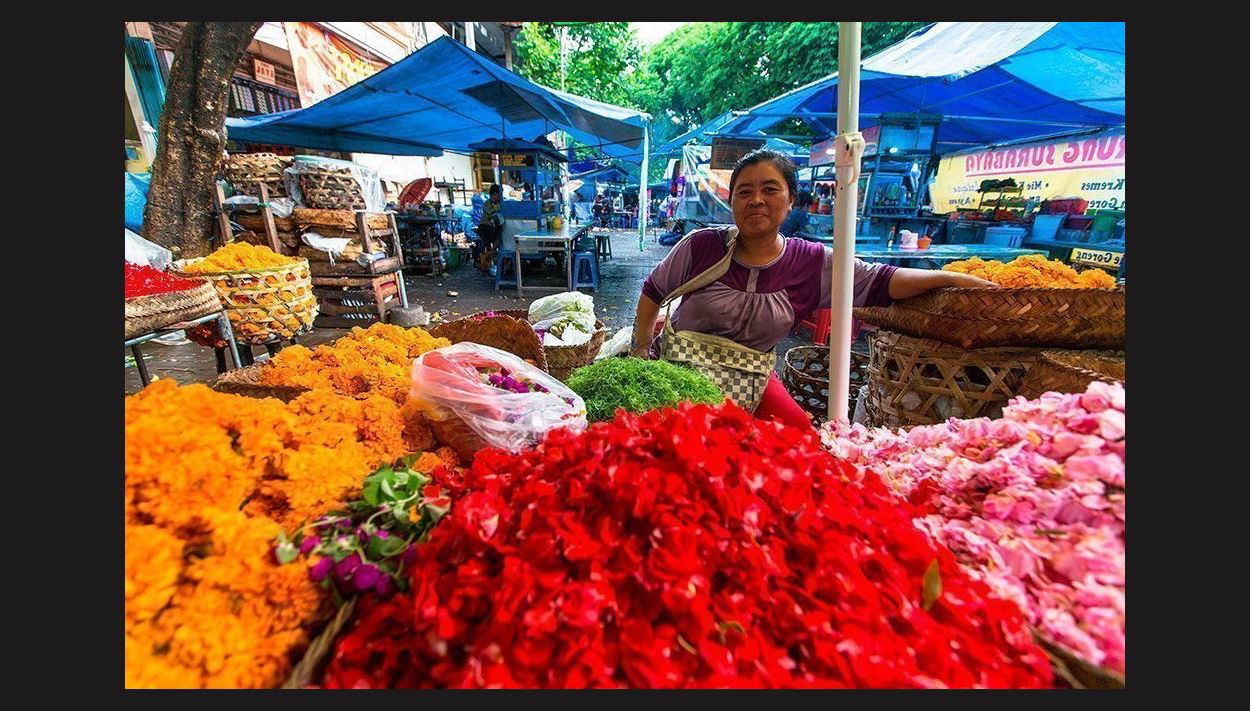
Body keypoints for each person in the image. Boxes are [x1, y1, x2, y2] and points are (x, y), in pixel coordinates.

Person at [630, 149, 997, 428]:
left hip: (750, 376)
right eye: (744, 192)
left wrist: (947, 278)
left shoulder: (812, 262)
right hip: (679, 368)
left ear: (791, 200)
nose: (756, 200)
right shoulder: (701, 246)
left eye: (770, 190)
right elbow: (653, 291)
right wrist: (641, 353)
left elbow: (883, 280)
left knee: (802, 438)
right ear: (732, 202)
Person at [477, 184, 505, 270]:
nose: (501, 196)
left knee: (499, 232)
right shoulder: (487, 204)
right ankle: (487, 255)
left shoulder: (501, 203)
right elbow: (493, 214)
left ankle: (492, 252)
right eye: (500, 194)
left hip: (495, 227)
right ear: (495, 194)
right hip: (485, 226)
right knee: (492, 233)